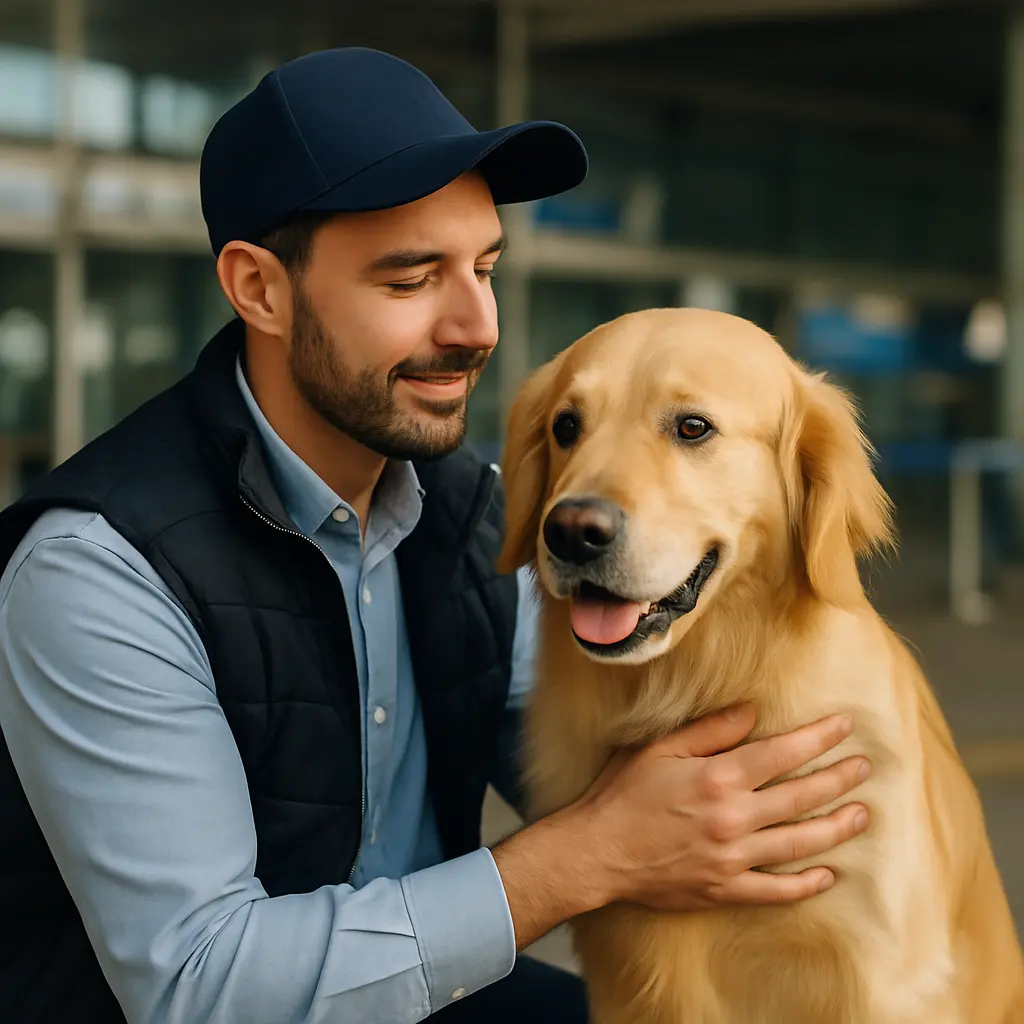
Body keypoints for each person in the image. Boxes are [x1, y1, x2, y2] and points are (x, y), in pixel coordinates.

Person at [0, 47, 871, 1024]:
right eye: (412, 278)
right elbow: (204, 984)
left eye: (484, 267)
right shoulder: (97, 568)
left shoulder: (468, 511)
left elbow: (610, 770)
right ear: (260, 291)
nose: (477, 324)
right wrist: (584, 856)